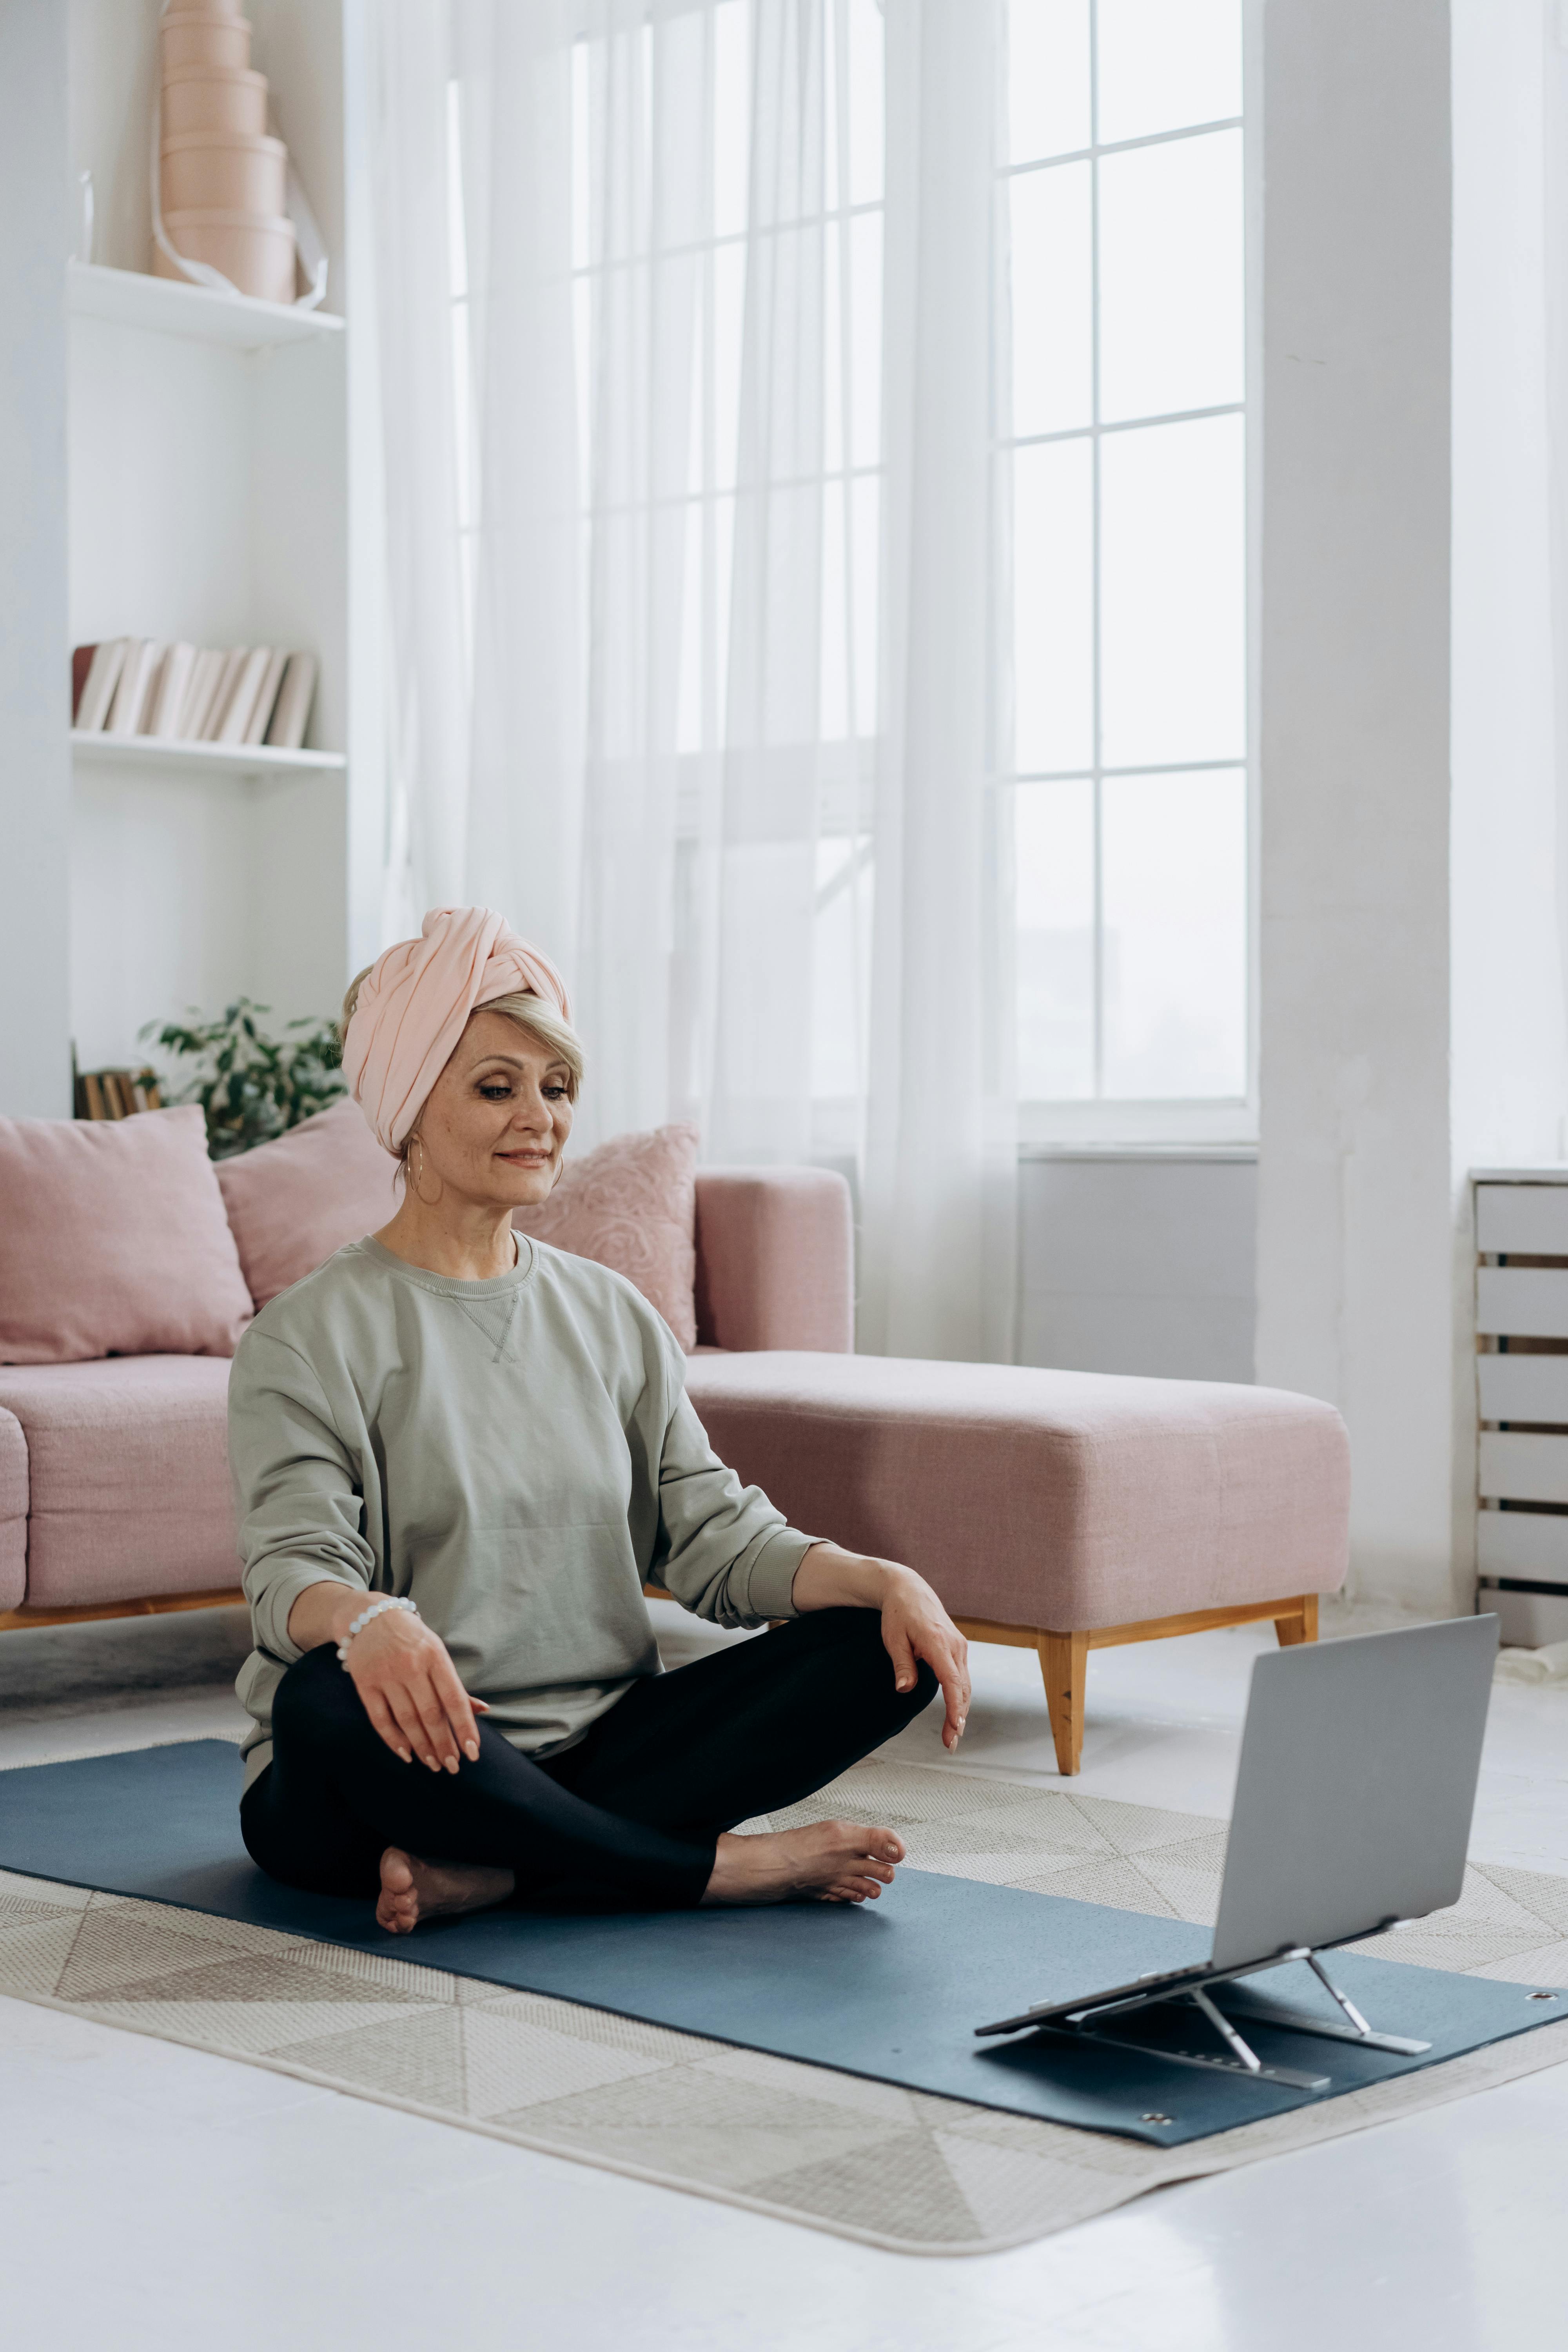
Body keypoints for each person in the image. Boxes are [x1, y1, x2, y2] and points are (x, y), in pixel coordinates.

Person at [231, 906, 971, 1934]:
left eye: (557, 1087)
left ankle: (497, 1872)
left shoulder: (612, 1314)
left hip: (603, 1747)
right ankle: (708, 1871)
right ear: (406, 1109)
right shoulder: (305, 1336)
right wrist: (368, 1619)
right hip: (402, 1766)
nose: (539, 1117)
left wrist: (881, 1578)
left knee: (879, 1650)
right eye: (497, 1088)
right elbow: (289, 1575)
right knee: (323, 1695)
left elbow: (711, 1534)